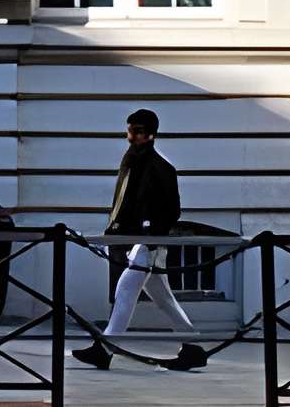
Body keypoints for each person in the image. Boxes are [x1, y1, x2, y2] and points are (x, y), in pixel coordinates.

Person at [75, 109, 204, 372]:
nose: (131, 137)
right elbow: (124, 204)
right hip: (141, 242)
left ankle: (105, 349)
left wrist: (148, 233)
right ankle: (192, 346)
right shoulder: (133, 162)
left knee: (125, 290)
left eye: (137, 132)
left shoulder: (159, 168)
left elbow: (172, 211)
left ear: (151, 134)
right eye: (130, 130)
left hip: (149, 243)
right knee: (163, 298)